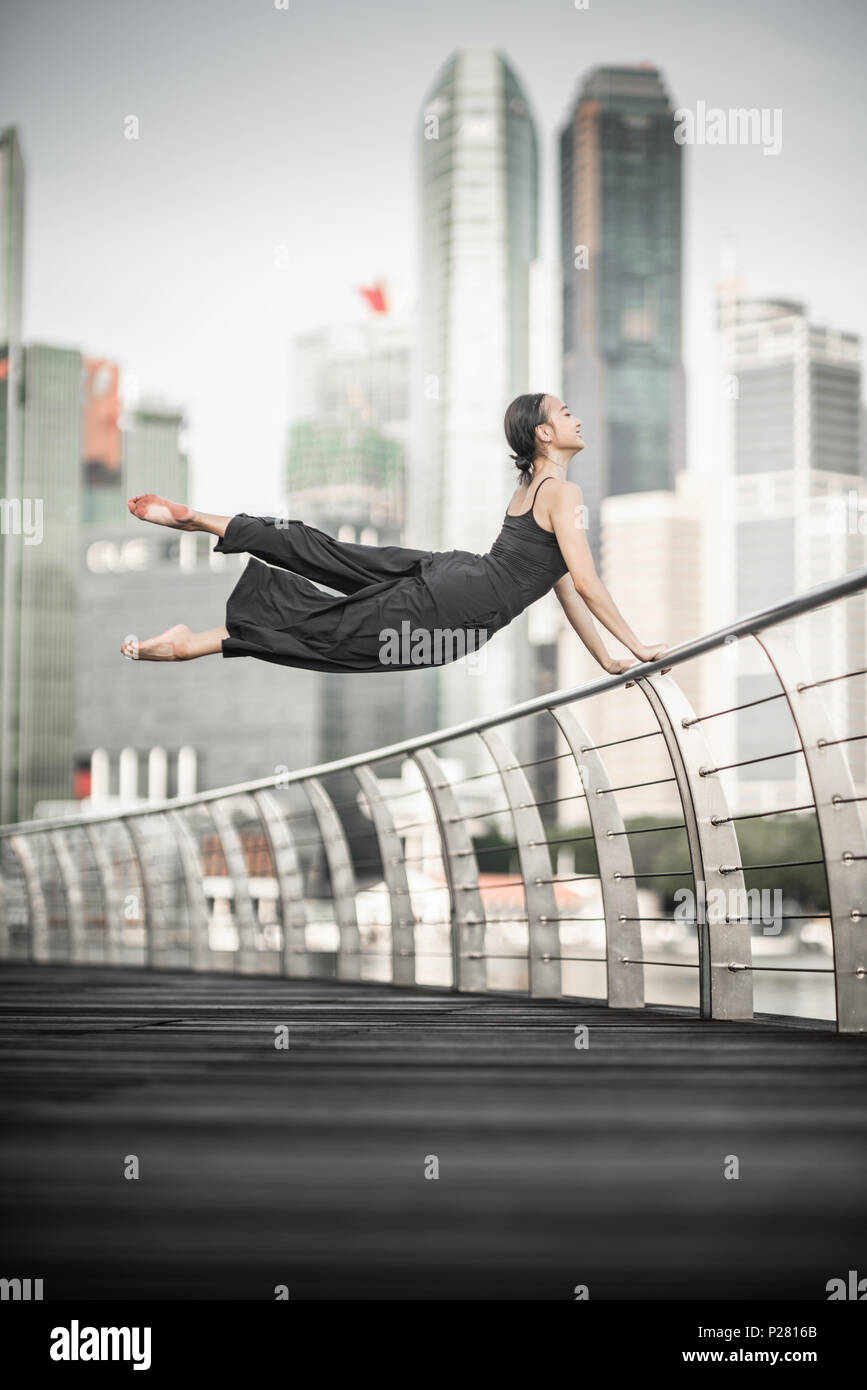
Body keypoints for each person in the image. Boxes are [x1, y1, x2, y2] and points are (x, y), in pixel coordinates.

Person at [120, 392, 668, 677]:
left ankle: (203, 521)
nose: (577, 420)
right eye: (566, 413)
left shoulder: (531, 490)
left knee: (331, 554)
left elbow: (566, 587)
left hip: (451, 572)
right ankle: (195, 643)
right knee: (338, 632)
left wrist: (606, 658)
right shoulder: (564, 494)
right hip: (463, 608)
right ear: (546, 434)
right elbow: (590, 584)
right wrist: (638, 646)